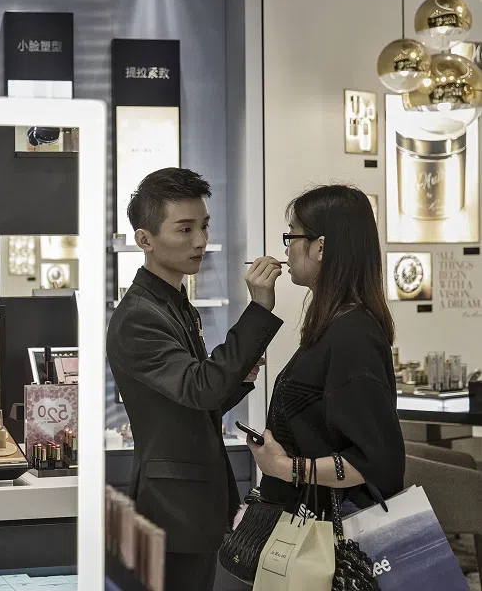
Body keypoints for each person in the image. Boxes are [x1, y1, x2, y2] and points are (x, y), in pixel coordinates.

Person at [106, 167, 284, 591]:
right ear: (144, 239)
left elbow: (196, 398)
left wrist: (237, 378)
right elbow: (201, 387)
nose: (200, 242)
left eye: (203, 227)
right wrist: (258, 307)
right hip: (172, 505)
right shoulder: (139, 316)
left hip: (191, 501)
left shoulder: (173, 302)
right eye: (184, 229)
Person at [247, 184, 405, 521]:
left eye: (292, 237)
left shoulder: (353, 335)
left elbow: (375, 459)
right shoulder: (335, 324)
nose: (286, 250)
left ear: (320, 247)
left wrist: (285, 467)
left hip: (332, 533)